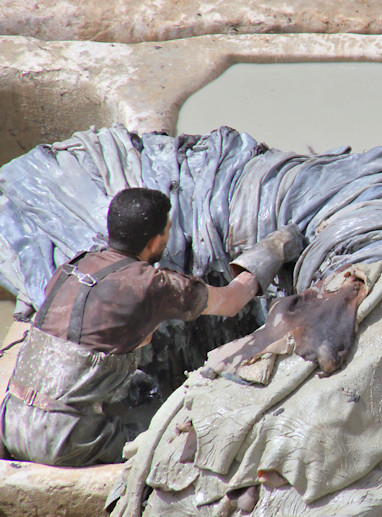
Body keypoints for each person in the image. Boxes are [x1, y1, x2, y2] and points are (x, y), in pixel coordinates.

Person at [0, 187, 302, 466]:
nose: (169, 236)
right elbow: (233, 300)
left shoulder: (72, 268)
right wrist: (273, 249)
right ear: (154, 240)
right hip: (66, 441)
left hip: (11, 423)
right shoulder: (152, 285)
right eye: (167, 230)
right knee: (184, 432)